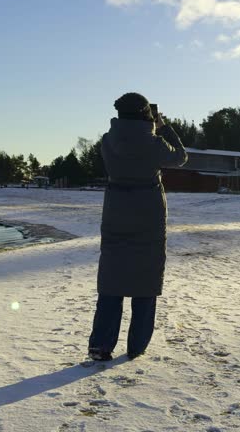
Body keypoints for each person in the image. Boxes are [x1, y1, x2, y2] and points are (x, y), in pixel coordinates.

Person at [88, 92, 188, 361]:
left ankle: (101, 344)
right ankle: (137, 346)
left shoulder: (108, 141)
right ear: (146, 113)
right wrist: (164, 128)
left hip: (116, 211)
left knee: (112, 277)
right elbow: (180, 157)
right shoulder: (153, 142)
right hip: (148, 214)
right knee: (146, 278)